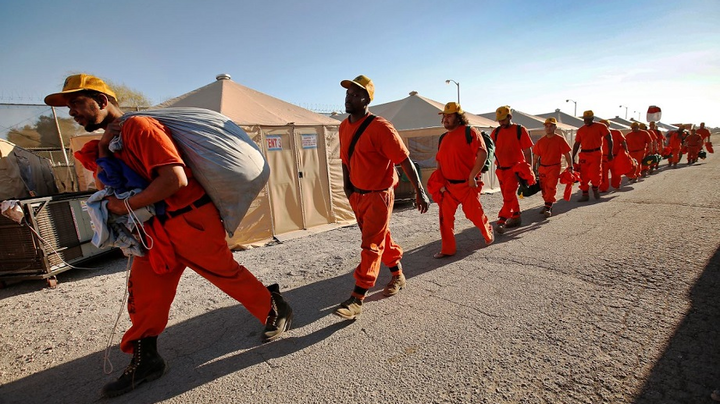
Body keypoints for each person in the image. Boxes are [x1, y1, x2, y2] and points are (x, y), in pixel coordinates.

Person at [44, 74, 293, 398]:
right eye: (68, 106)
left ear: (102, 100)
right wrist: (105, 148)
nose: (71, 112)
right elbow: (117, 180)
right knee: (145, 292)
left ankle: (275, 307)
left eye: (76, 102)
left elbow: (174, 179)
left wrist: (125, 206)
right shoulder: (115, 138)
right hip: (154, 228)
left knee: (226, 275)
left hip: (189, 220)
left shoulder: (139, 128)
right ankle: (146, 359)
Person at [335, 75, 429, 320]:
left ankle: (358, 296)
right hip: (357, 194)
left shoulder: (381, 127)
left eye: (355, 94)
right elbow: (345, 160)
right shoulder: (343, 126)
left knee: (371, 245)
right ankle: (397, 274)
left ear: (367, 99)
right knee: (380, 237)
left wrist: (420, 190)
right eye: (348, 93)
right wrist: (348, 188)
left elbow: (404, 159)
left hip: (379, 195)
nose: (349, 97)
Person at [432, 102, 494, 258]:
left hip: (467, 185)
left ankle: (487, 233)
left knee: (474, 215)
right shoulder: (443, 137)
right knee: (445, 220)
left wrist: (472, 175)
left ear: (459, 117)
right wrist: (440, 184)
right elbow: (439, 162)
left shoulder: (470, 132)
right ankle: (447, 249)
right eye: (444, 116)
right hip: (448, 187)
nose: (446, 119)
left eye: (450, 116)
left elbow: (482, 153)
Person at [491, 106, 534, 233]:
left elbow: (527, 151)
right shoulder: (496, 132)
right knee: (506, 195)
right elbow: (490, 148)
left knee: (508, 195)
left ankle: (502, 220)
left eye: (503, 120)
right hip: (500, 169)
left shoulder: (520, 130)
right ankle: (516, 216)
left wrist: (529, 170)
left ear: (510, 117)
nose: (501, 123)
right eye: (499, 120)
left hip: (514, 170)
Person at [532, 118, 573, 217]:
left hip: (554, 167)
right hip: (542, 168)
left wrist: (570, 166)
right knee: (544, 188)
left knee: (551, 187)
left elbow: (567, 154)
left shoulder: (560, 139)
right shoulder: (541, 141)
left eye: (551, 126)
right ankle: (547, 204)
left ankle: (548, 206)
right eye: (547, 126)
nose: (548, 128)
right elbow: (536, 157)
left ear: (555, 127)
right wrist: (532, 169)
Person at [571, 110, 612, 201]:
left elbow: (609, 139)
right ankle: (585, 194)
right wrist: (572, 157)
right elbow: (577, 144)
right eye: (585, 119)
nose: (586, 121)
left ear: (592, 118)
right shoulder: (581, 130)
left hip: (596, 153)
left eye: (588, 119)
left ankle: (595, 188)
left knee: (595, 174)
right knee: (583, 175)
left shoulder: (601, 126)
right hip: (584, 154)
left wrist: (610, 152)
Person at [599, 119, 628, 191]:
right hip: (603, 158)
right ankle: (603, 188)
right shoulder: (598, 134)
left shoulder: (616, 132)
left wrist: (626, 152)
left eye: (605, 125)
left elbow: (623, 142)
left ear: (608, 125)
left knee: (616, 173)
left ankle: (616, 185)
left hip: (615, 157)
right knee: (603, 174)